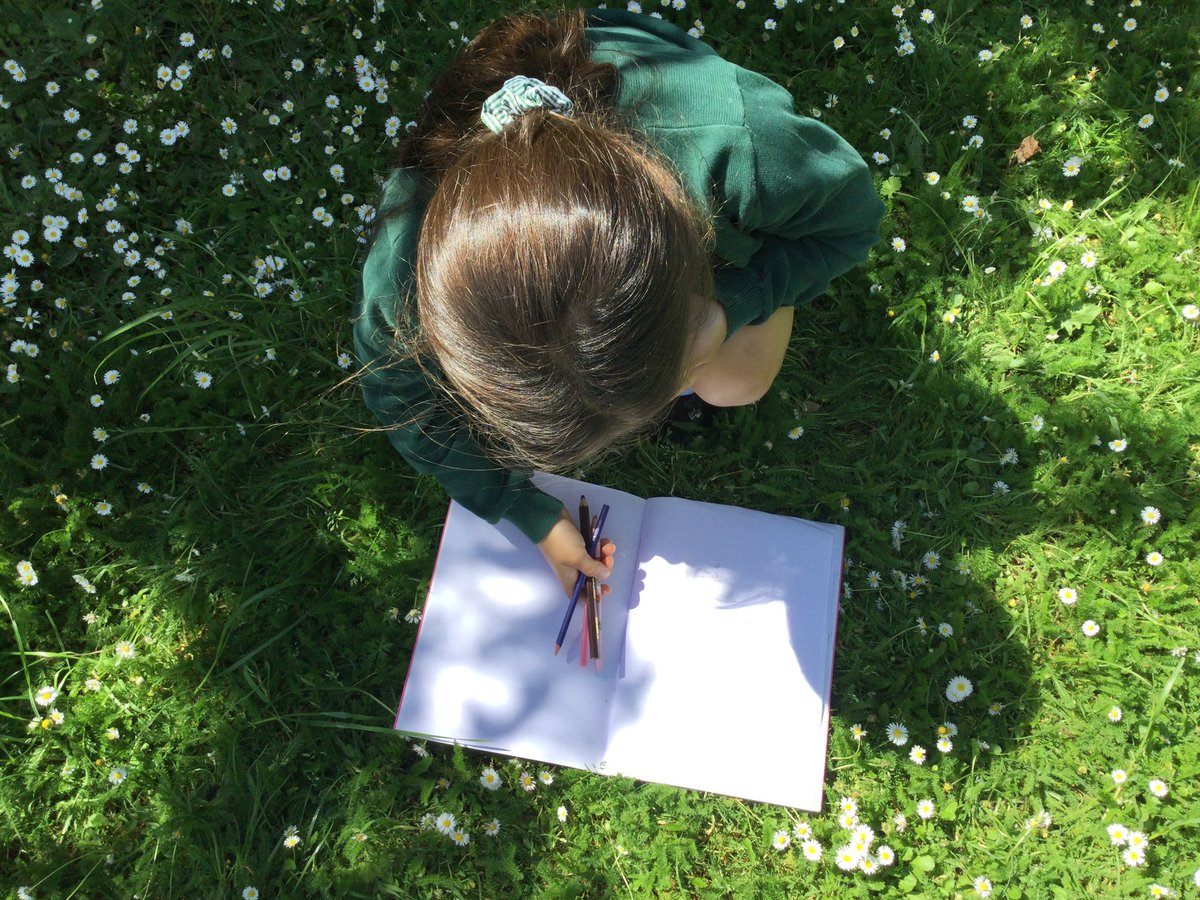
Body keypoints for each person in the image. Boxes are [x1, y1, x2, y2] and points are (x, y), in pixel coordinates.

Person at [352, 6, 885, 600]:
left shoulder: (745, 151)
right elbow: (398, 391)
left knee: (734, 380)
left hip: (656, 128)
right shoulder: (405, 291)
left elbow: (848, 226)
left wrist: (735, 302)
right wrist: (523, 509)